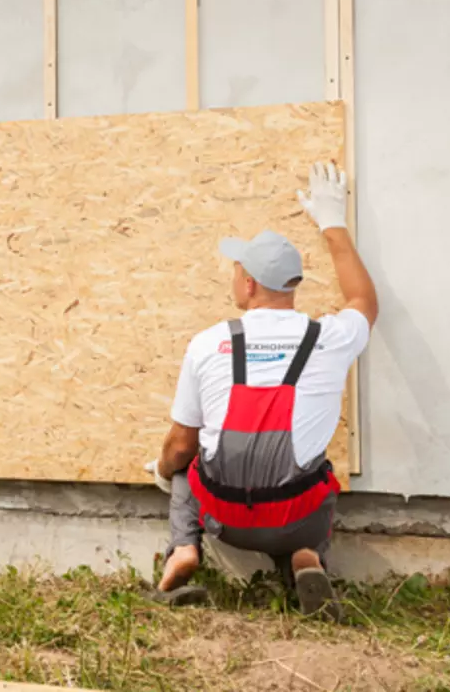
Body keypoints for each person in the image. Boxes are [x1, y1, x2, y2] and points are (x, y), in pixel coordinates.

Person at [144, 161, 377, 619]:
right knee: (316, 473)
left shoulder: (209, 342)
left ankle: (184, 552)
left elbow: (181, 444)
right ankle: (305, 557)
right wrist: (333, 224)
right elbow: (364, 302)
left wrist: (166, 471)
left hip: (224, 522)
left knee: (180, 460)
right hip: (294, 520)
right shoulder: (328, 338)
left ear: (248, 283)